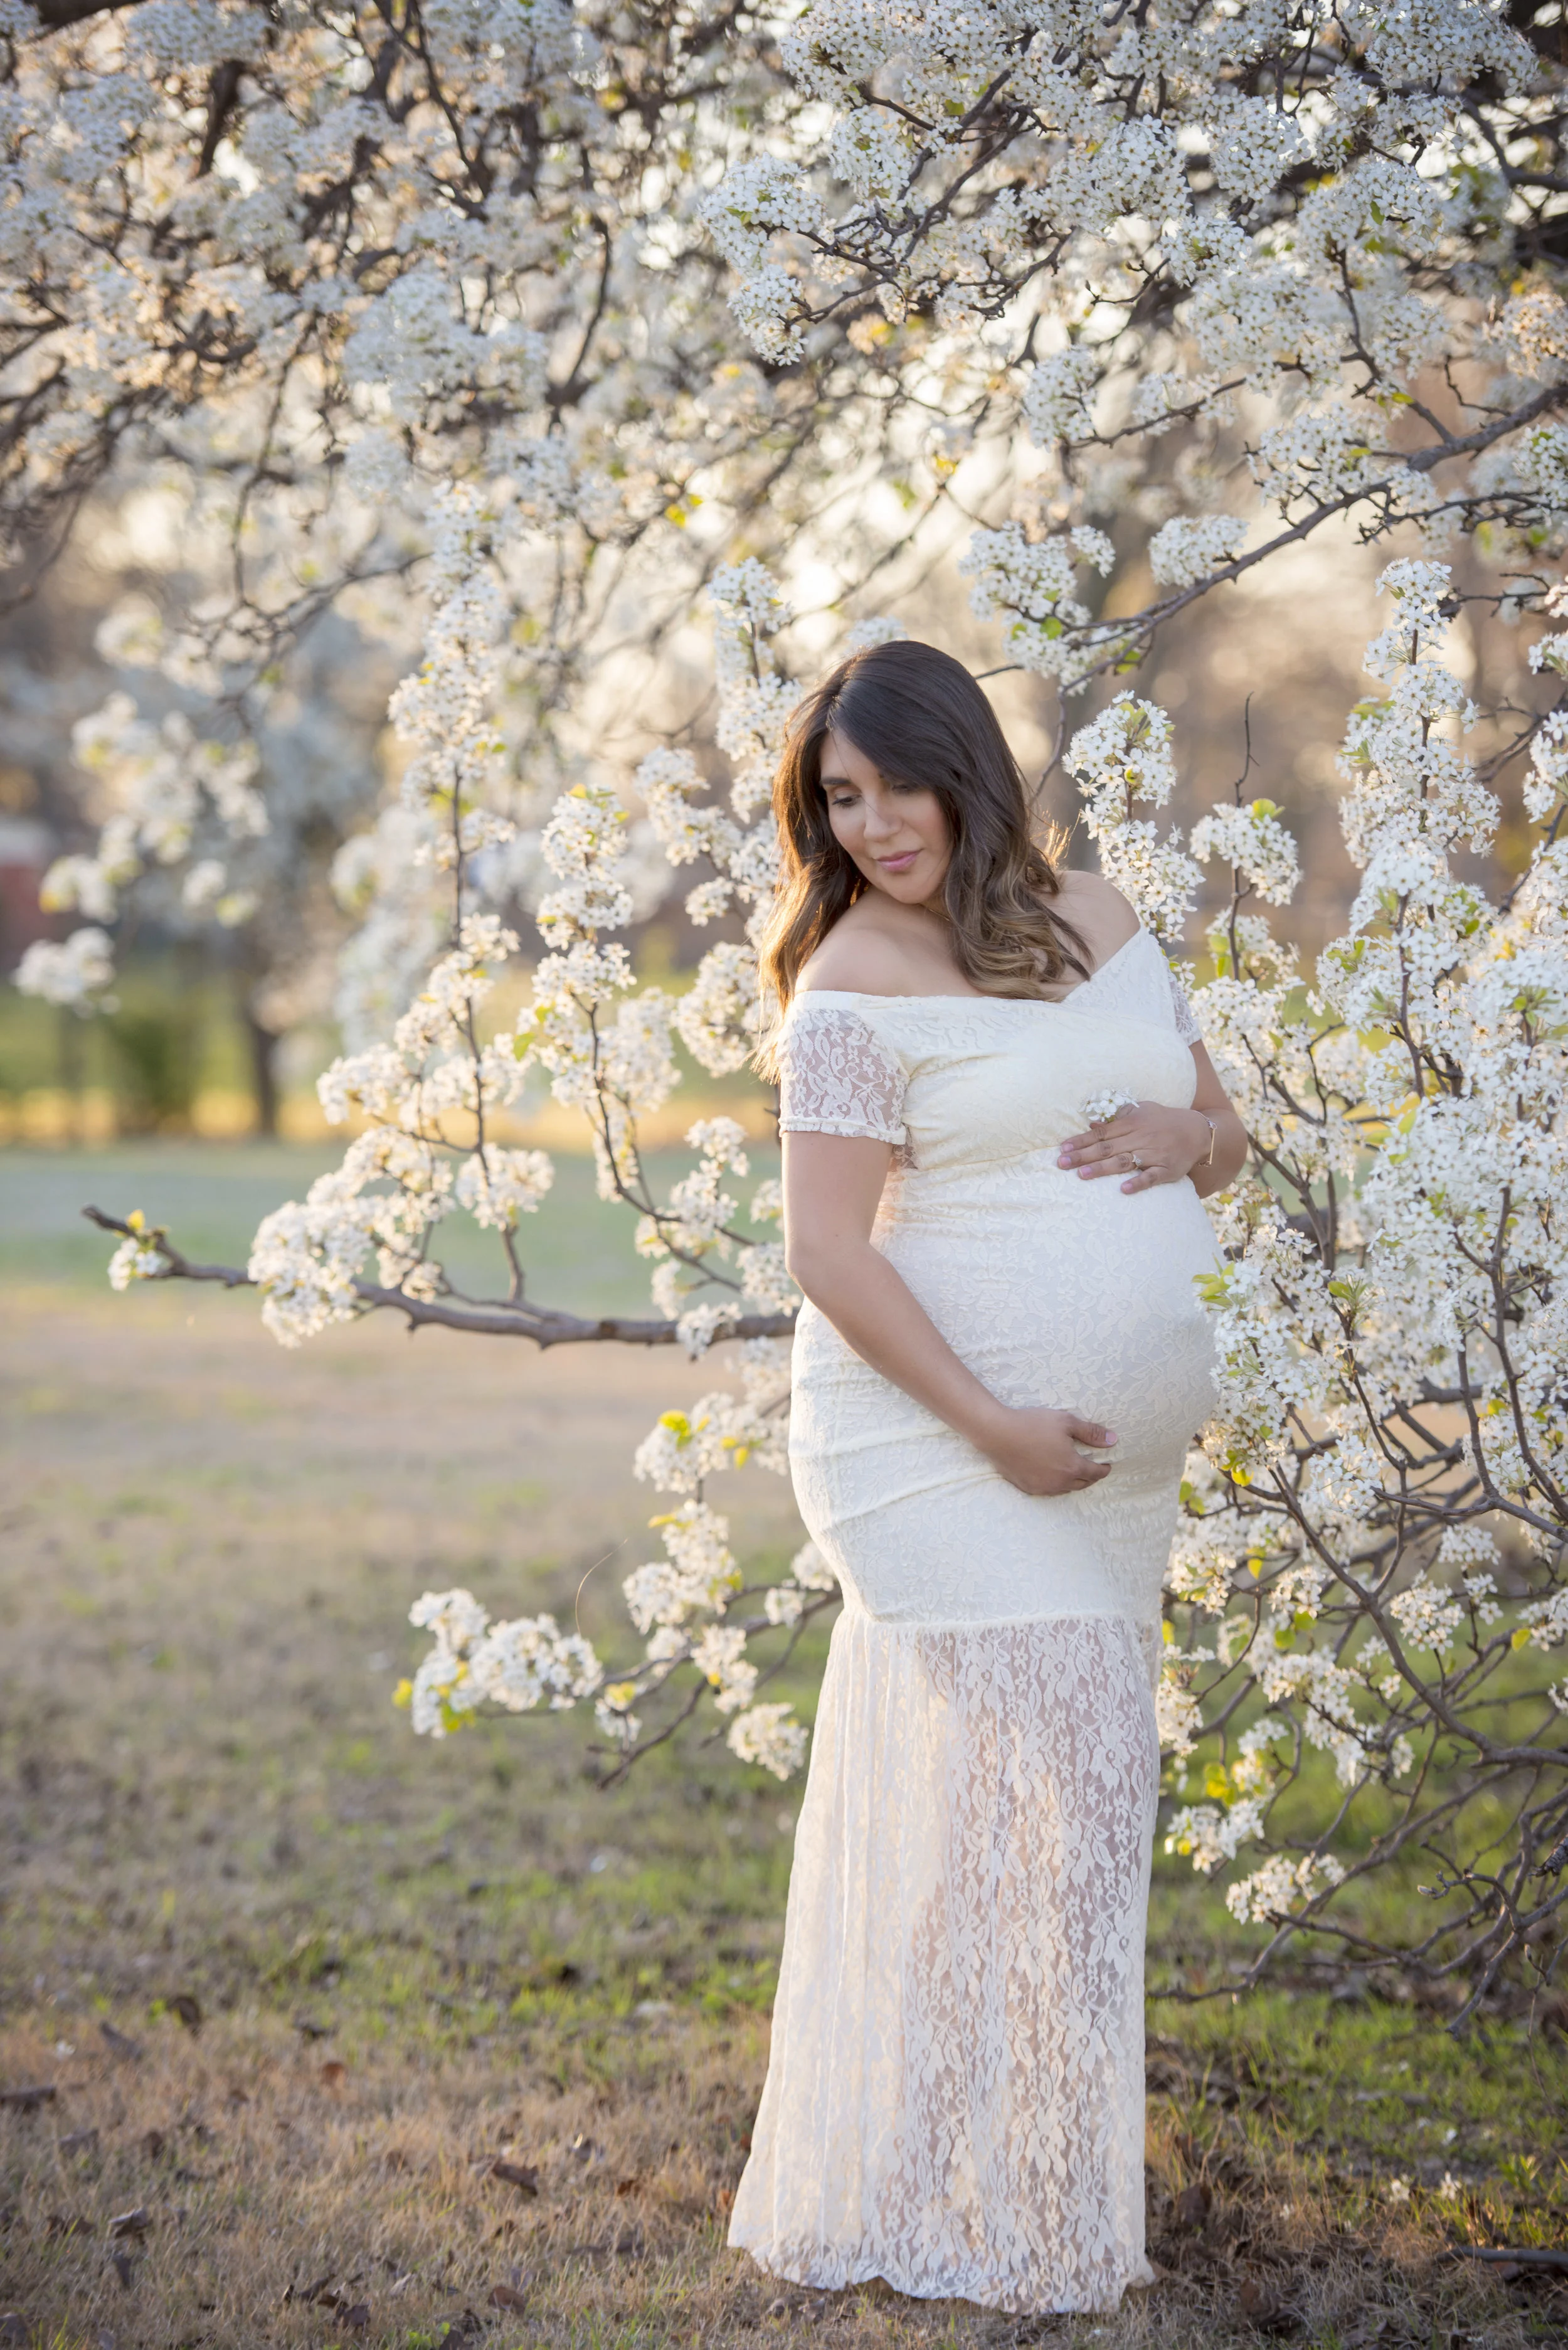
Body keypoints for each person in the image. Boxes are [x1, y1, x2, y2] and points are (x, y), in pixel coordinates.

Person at [727, 638, 1246, 2314]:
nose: (873, 826)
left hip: (1101, 1483)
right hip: (934, 1451)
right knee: (1063, 1816)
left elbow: (1214, 1122)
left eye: (895, 784)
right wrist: (991, 1424)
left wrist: (1194, 1138)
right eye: (838, 799)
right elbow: (827, 1253)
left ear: (970, 766)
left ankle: (958, 2193)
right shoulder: (851, 979)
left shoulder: (1093, 917)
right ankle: (1024, 2229)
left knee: (1021, 1836)